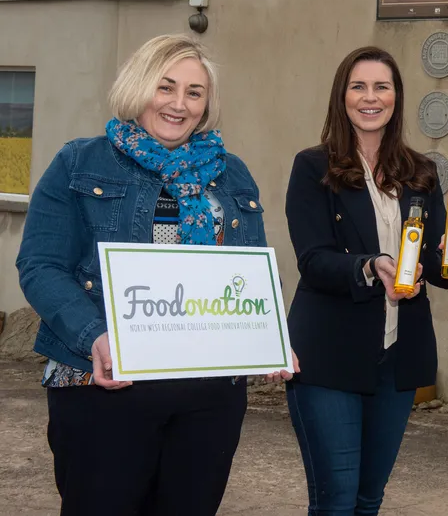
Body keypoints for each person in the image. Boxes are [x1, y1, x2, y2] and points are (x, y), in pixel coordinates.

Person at [15, 34, 294, 516]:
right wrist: (96, 337)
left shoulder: (232, 174)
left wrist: (269, 335)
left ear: (206, 105)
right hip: (102, 385)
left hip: (208, 397)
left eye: (194, 92)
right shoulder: (79, 163)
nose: (178, 104)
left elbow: (246, 271)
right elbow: (40, 266)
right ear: (138, 86)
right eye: (165, 87)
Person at [284, 45, 448, 516]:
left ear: (396, 97)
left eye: (382, 87)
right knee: (336, 503)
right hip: (329, 355)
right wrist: (371, 266)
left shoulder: (420, 171)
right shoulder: (313, 168)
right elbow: (312, 261)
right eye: (359, 86)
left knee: (369, 500)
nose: (370, 98)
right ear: (342, 96)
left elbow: (436, 274)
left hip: (397, 359)